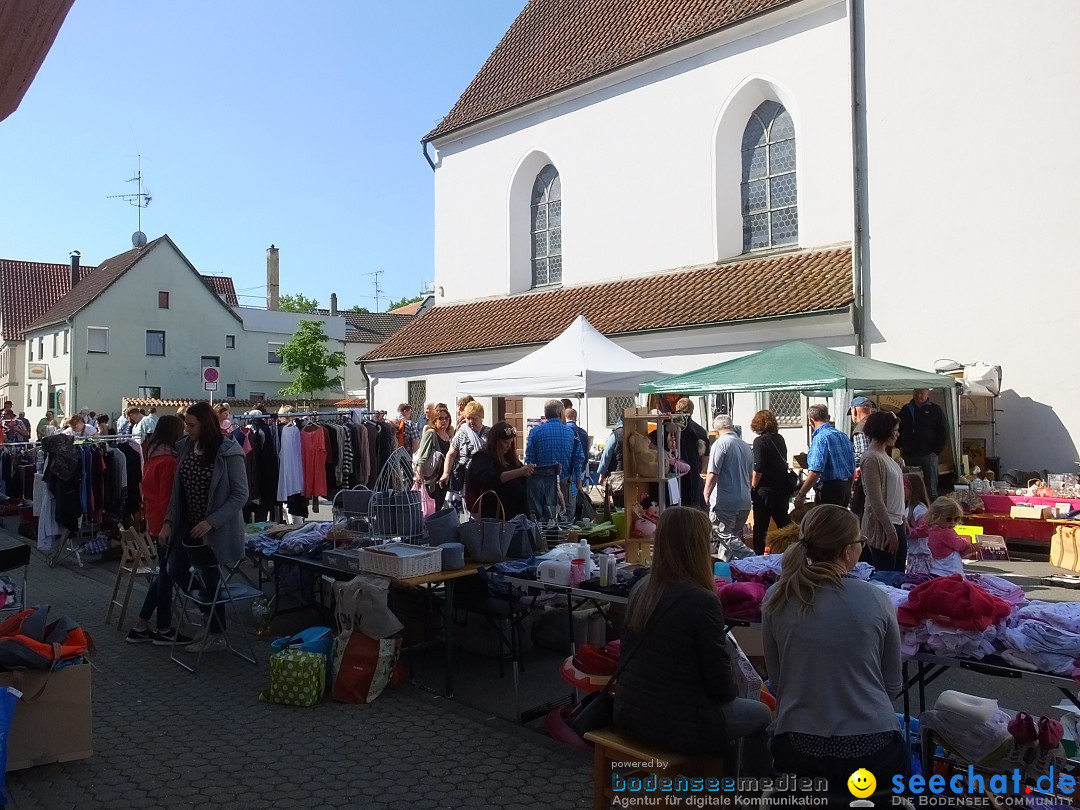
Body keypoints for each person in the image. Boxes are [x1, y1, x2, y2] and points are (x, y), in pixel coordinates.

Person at [614, 507, 771, 774]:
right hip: (675, 723)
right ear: (697, 546)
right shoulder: (701, 600)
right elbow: (720, 688)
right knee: (762, 714)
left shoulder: (643, 588)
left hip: (629, 711)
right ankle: (741, 794)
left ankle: (723, 783)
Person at [762, 505, 907, 789]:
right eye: (860, 543)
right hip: (874, 747)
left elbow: (777, 681)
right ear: (846, 551)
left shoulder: (777, 597)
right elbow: (892, 686)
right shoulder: (875, 598)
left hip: (798, 745)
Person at [160, 401, 248, 654]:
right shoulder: (185, 447)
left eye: (191, 425)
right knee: (174, 568)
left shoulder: (228, 451)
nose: (187, 430)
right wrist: (168, 521)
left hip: (213, 530)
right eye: (186, 425)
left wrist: (212, 521)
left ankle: (216, 633)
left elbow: (240, 494)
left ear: (205, 424)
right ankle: (208, 618)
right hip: (186, 524)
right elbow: (178, 493)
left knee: (211, 579)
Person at [126, 416, 193, 646]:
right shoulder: (168, 460)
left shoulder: (153, 455)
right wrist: (170, 523)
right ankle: (162, 628)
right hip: (166, 522)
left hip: (155, 519)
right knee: (166, 574)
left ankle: (141, 625)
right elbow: (169, 496)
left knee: (163, 572)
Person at [860, 411, 907, 572]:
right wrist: (889, 529)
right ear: (885, 430)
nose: (898, 434)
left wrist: (903, 520)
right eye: (895, 430)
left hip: (896, 522)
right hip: (883, 526)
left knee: (899, 574)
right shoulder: (872, 458)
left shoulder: (885, 456)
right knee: (887, 575)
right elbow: (875, 499)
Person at [703, 414, 753, 552]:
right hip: (744, 500)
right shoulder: (745, 445)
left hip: (725, 501)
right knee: (730, 542)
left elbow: (713, 473)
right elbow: (750, 475)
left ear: (716, 429)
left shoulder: (720, 444)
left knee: (725, 536)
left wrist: (706, 494)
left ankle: (752, 557)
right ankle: (726, 570)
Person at [466, 421, 533, 518]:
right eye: (505, 442)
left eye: (510, 443)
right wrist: (518, 472)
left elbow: (523, 472)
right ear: (495, 441)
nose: (508, 446)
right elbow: (489, 479)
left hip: (516, 513)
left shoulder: (510, 459)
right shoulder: (482, 457)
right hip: (494, 513)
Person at [749, 409, 793, 555]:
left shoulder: (759, 441)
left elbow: (759, 466)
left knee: (761, 527)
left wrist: (753, 486)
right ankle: (792, 550)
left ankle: (759, 556)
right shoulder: (779, 439)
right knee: (783, 522)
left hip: (765, 490)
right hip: (781, 487)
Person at [794, 404, 855, 508]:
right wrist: (849, 487)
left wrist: (801, 494)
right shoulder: (842, 436)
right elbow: (852, 467)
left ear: (811, 421)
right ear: (828, 417)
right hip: (844, 487)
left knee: (827, 523)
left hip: (828, 490)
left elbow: (815, 471)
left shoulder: (820, 439)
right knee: (841, 522)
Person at [524, 400, 584, 503]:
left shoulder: (535, 432)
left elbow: (530, 461)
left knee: (542, 518)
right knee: (567, 518)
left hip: (542, 489)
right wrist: (579, 485)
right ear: (561, 414)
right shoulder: (573, 434)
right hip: (567, 488)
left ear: (546, 414)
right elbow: (578, 461)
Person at [896, 389, 948, 498]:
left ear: (928, 393)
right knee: (908, 486)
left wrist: (936, 451)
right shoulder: (906, 409)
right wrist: (900, 445)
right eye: (917, 393)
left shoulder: (935, 410)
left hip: (928, 455)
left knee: (930, 489)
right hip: (908, 454)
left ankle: (931, 510)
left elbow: (943, 431)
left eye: (922, 393)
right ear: (913, 393)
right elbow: (898, 428)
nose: (919, 396)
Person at [440, 400, 488, 509]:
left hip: (483, 478)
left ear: (481, 417)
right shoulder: (461, 433)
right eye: (468, 418)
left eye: (474, 418)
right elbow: (451, 454)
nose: (470, 421)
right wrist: (446, 473)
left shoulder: (489, 434)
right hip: (465, 479)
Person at [919, 496, 975, 577]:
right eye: (949, 519)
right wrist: (970, 544)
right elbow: (960, 545)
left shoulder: (933, 531)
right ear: (936, 516)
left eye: (956, 519)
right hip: (949, 573)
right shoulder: (945, 532)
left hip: (938, 570)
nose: (952, 522)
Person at [415, 406, 453, 510]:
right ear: (434, 421)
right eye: (440, 418)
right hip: (432, 479)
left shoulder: (449, 437)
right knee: (431, 509)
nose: (444, 421)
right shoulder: (431, 434)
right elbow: (422, 455)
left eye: (446, 418)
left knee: (439, 507)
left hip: (444, 479)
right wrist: (419, 473)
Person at [674, 397, 709, 510]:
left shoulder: (668, 425)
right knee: (694, 509)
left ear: (677, 408)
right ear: (692, 410)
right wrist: (697, 470)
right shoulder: (701, 431)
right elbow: (705, 458)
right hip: (693, 476)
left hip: (673, 475)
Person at [904, 474, 932, 575]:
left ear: (912, 489)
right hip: (913, 553)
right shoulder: (909, 508)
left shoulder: (919, 509)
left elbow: (925, 529)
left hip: (920, 554)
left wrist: (909, 532)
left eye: (904, 488)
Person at [597, 419, 625, 508]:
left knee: (619, 506)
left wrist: (602, 474)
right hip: (635, 477)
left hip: (618, 477)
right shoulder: (636, 432)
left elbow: (606, 455)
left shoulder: (616, 434)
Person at [849, 396, 876, 467]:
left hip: (868, 472)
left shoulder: (861, 429)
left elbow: (863, 455)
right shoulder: (876, 424)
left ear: (854, 410)